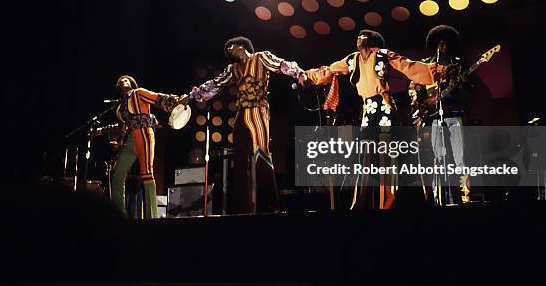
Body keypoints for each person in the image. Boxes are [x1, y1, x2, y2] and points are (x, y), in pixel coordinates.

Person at [299, 29, 447, 209]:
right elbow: (329, 70)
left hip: (384, 108)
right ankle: (359, 203)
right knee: (365, 157)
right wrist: (307, 76)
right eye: (359, 36)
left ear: (372, 42)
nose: (359, 38)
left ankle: (388, 202)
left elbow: (408, 66)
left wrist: (439, 70)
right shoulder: (352, 59)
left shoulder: (383, 54)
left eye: (364, 36)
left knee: (386, 158)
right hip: (368, 109)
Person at [189, 36, 304, 214]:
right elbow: (216, 83)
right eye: (227, 50)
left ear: (242, 46)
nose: (229, 51)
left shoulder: (260, 57)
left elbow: (281, 64)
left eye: (231, 47)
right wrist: (193, 95)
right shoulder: (233, 69)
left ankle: (269, 207)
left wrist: (299, 74)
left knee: (262, 154)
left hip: (259, 110)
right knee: (240, 159)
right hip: (242, 113)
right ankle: (242, 208)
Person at [409, 25, 470, 204]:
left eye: (445, 42)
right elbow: (414, 87)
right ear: (434, 44)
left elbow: (468, 93)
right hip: (433, 116)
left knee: (460, 157)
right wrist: (419, 103)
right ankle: (438, 199)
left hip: (454, 113)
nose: (442, 46)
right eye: (439, 42)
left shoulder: (458, 63)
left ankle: (465, 197)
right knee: (437, 158)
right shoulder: (426, 64)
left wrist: (464, 84)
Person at [109, 75, 181, 218]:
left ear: (132, 84)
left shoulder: (138, 93)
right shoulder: (121, 105)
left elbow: (157, 98)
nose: (123, 80)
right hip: (131, 139)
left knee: (147, 174)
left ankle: (152, 217)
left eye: (127, 79)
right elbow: (123, 126)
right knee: (117, 174)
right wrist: (118, 140)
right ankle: (118, 215)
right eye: (120, 80)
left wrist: (176, 100)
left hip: (144, 135)